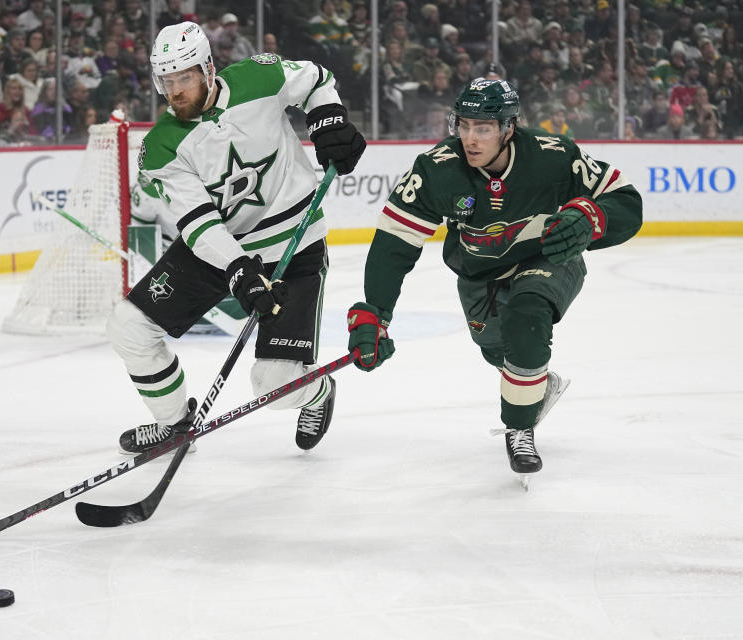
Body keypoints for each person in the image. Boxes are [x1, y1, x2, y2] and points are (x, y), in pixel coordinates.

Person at [345, 78, 642, 482]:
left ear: (508, 127)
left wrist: (593, 217)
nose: (469, 138)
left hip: (548, 258)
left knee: (527, 314)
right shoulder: (437, 169)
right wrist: (376, 312)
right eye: (463, 125)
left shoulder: (553, 156)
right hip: (478, 275)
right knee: (501, 354)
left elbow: (626, 199)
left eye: (482, 128)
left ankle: (520, 428)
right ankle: (533, 381)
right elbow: (395, 242)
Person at [110, 21, 366, 454]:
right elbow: (198, 223)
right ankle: (175, 426)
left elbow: (316, 80)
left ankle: (317, 391)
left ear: (208, 68)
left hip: (293, 244)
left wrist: (328, 117)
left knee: (274, 385)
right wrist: (238, 269)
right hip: (222, 250)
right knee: (130, 327)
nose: (175, 92)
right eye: (166, 81)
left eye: (184, 78)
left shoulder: (258, 76)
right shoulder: (161, 148)